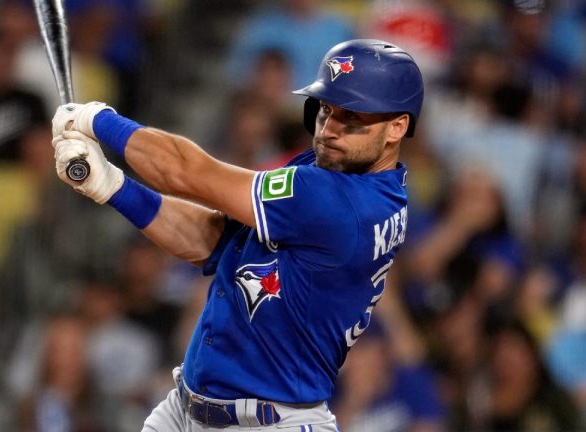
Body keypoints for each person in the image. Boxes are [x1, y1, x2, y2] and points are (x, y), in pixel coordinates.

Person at [50, 39, 424, 430]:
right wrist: (113, 187)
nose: (329, 129)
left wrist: (97, 119)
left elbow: (185, 172)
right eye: (326, 110)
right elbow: (212, 241)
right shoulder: (341, 174)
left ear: (397, 126)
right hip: (185, 410)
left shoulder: (342, 201)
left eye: (352, 117)